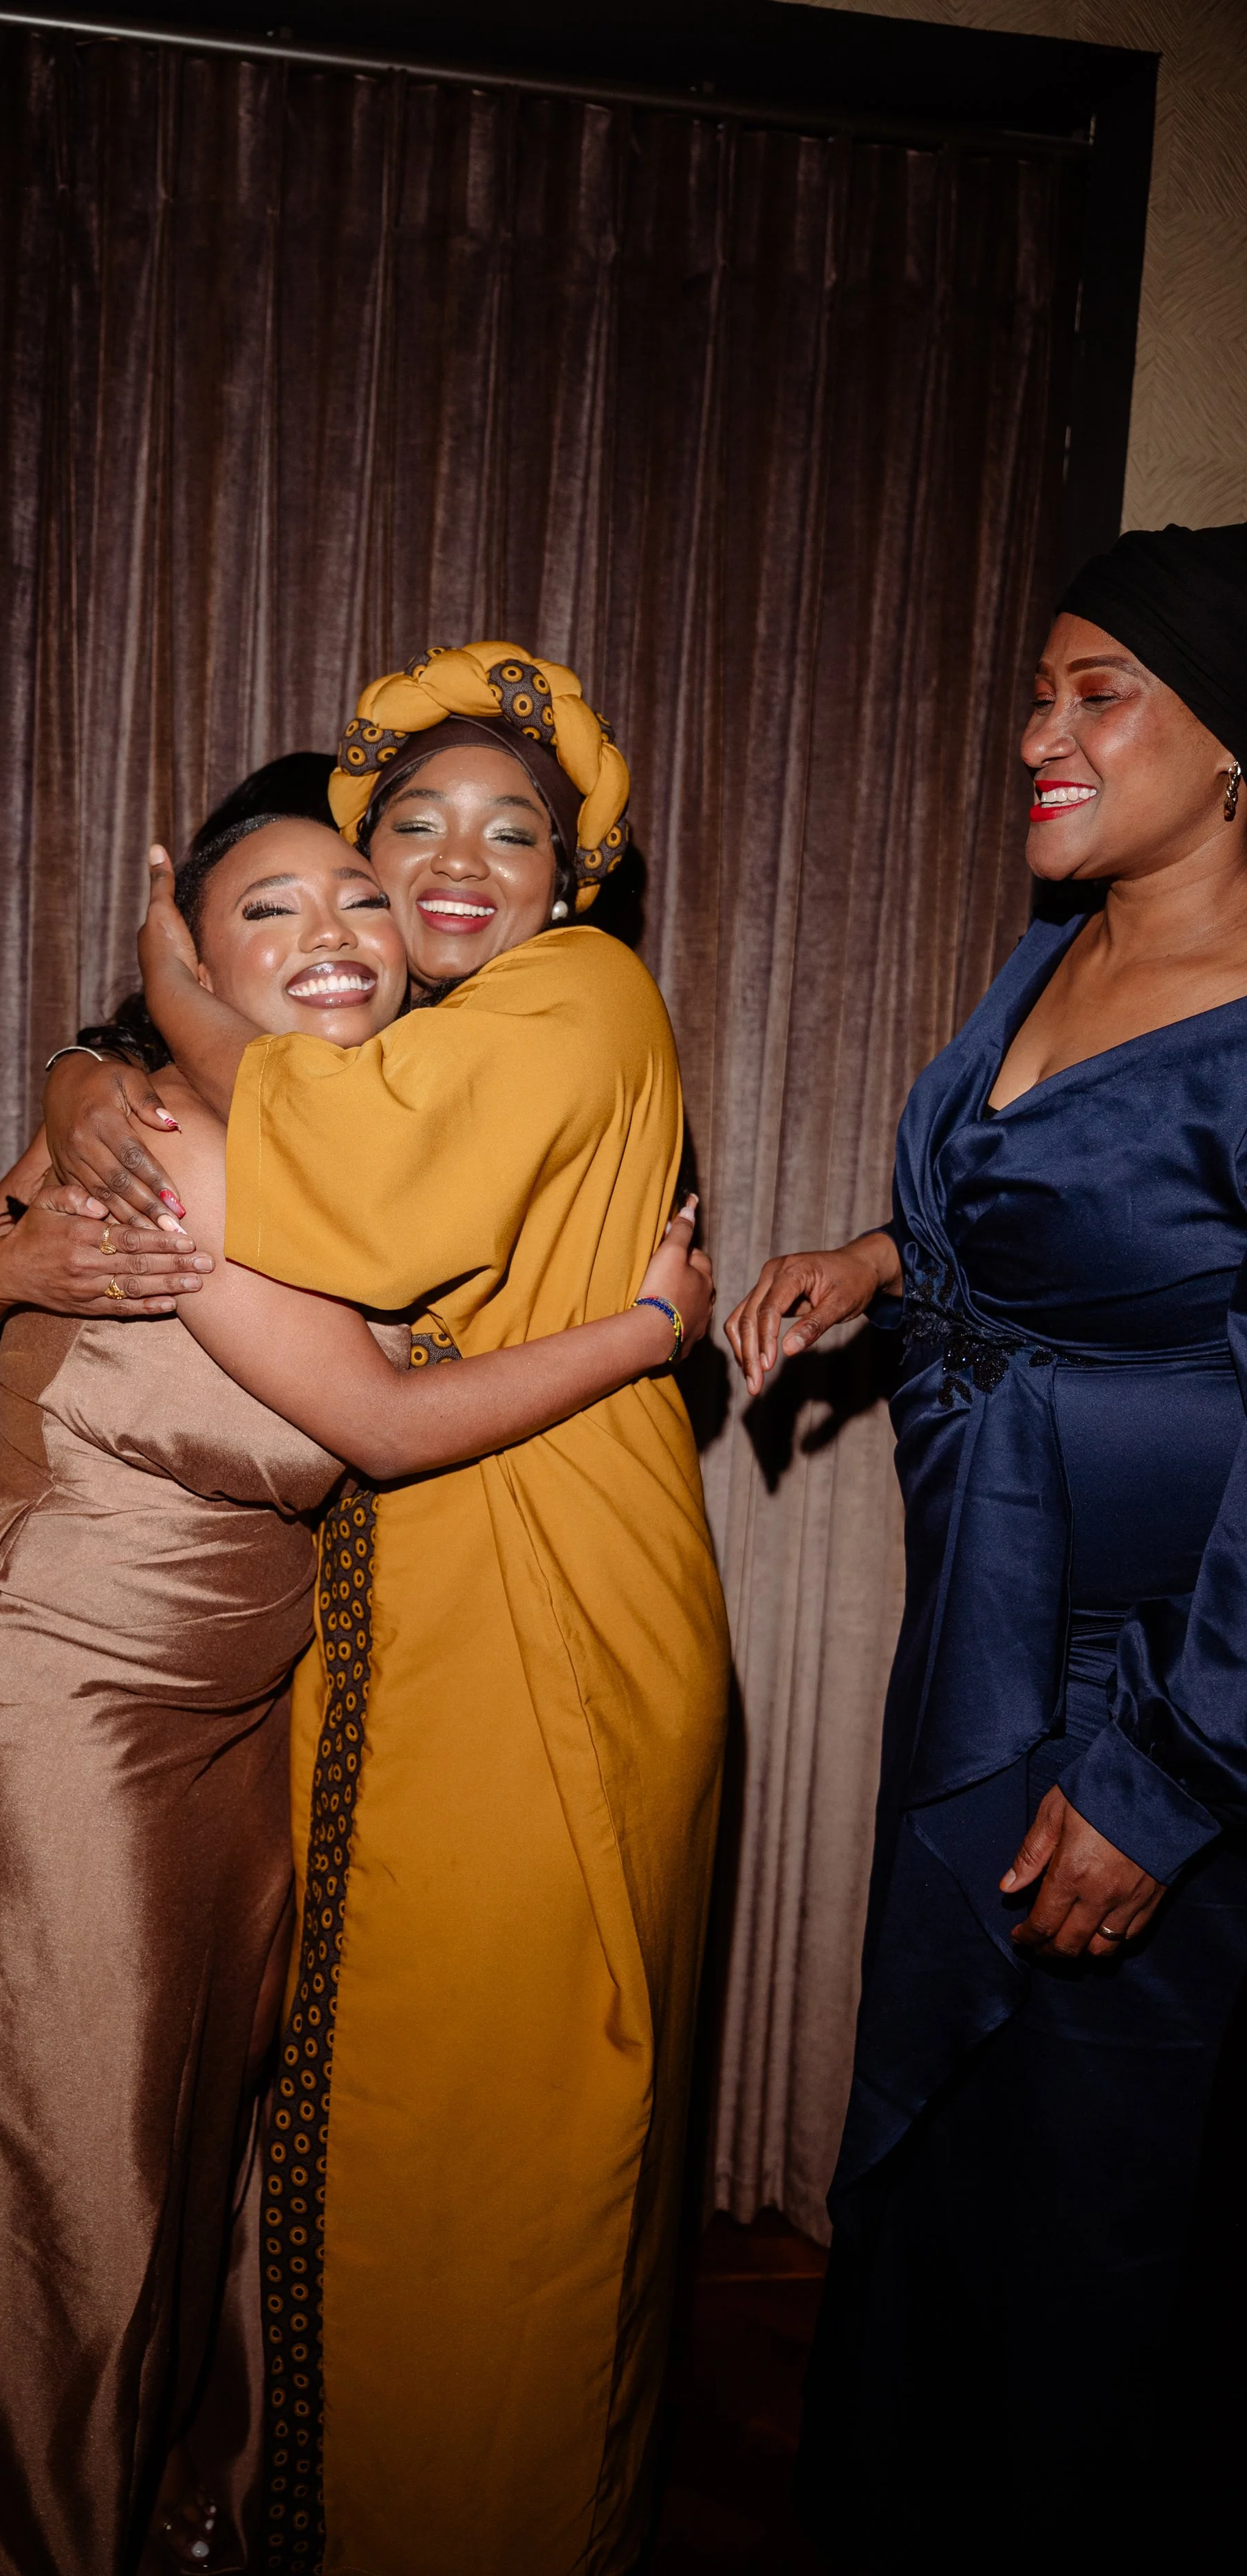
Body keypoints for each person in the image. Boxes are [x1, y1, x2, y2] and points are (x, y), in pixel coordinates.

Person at [0, 808, 708, 2576]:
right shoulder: (167, 1130)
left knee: (179, 2132)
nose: (334, 933)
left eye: (359, 899)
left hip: (227, 1701)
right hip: (66, 1692)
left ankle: (149, 2494)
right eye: (266, 909)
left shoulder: (350, 1145)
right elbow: (368, 1421)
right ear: (190, 961)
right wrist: (643, 1330)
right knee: (61, 2160)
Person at [45, 645, 732, 2576]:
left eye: (508, 831)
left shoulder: (564, 994)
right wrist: (97, 1066)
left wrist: (164, 994)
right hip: (451, 1580)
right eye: (407, 827)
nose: (453, 860)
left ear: (566, 878)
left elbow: (346, 1202)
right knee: (413, 2098)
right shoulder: (438, 1023)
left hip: (551, 1588)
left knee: (508, 2115)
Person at [726, 522, 1247, 2564]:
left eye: (1092, 691)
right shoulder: (1056, 949)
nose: (1038, 732)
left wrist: (1170, 1778)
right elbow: (1035, 1219)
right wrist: (873, 1260)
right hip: (985, 1645)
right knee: (941, 2164)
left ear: (1230, 749)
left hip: (1155, 1703)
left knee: (1096, 2230)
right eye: (1034, 691)